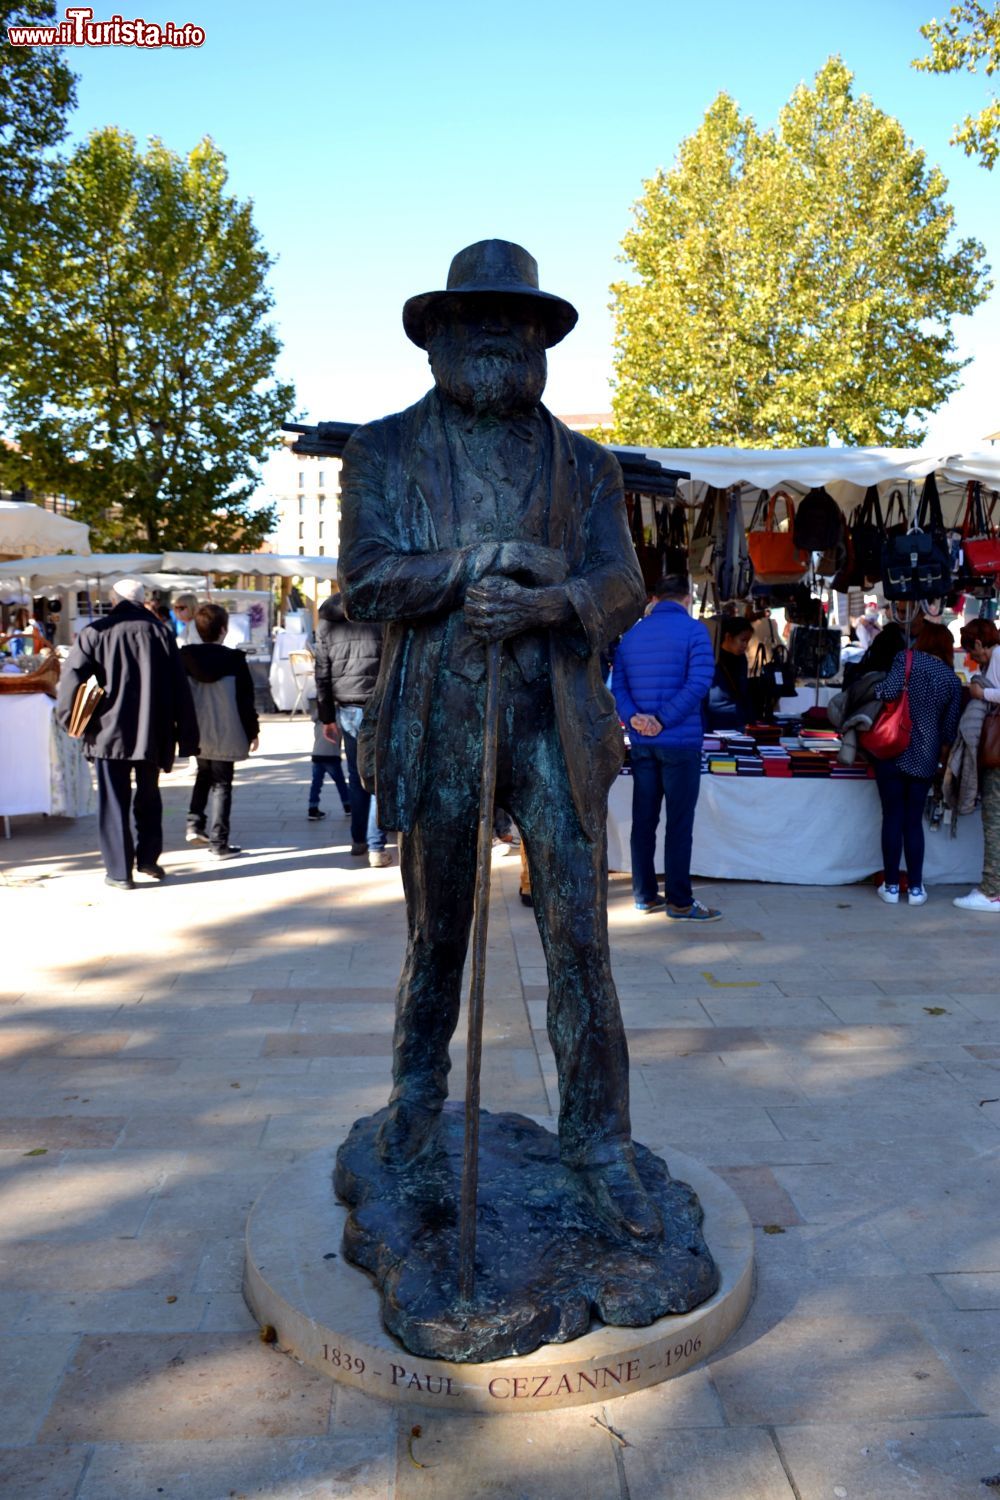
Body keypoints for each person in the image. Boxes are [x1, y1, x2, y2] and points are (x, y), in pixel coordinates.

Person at [338, 239, 657, 1237]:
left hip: (554, 721)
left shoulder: (588, 464)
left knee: (579, 942)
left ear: (541, 342)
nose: (496, 337)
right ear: (432, 338)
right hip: (440, 717)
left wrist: (551, 600)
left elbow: (623, 583)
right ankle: (416, 1108)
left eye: (516, 324)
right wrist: (478, 562)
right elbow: (367, 580)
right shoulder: (384, 451)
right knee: (437, 936)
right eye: (471, 320)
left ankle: (599, 1144)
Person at [56, 578, 199, 888]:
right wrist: (187, 735)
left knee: (113, 801)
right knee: (149, 796)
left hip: (108, 732)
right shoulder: (161, 632)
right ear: (143, 600)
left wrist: (69, 719)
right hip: (153, 730)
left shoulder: (95, 632)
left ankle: (119, 872)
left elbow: (72, 679)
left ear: (114, 599)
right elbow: (179, 686)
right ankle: (148, 859)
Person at [612, 574, 719, 921]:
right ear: (687, 599)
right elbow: (699, 682)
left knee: (643, 821)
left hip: (643, 743)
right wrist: (663, 719)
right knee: (678, 824)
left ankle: (644, 895)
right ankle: (680, 901)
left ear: (654, 599)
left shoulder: (631, 636)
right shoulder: (695, 632)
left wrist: (636, 720)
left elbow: (618, 688)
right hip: (680, 743)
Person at [871, 621, 961, 906]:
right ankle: (918, 888)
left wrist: (874, 693)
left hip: (893, 748)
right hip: (925, 754)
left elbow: (888, 692)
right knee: (912, 821)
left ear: (922, 641)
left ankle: (892, 886)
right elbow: (949, 729)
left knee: (892, 816)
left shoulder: (905, 659)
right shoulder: (952, 680)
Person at [312, 592, 388, 867]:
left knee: (357, 776)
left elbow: (321, 672)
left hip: (346, 708)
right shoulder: (380, 613)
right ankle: (377, 846)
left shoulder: (327, 623)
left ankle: (358, 839)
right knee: (379, 775)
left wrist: (326, 717)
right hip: (379, 706)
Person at [180, 602, 259, 858]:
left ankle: (194, 823)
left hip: (198, 730)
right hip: (228, 729)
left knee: (203, 775)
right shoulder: (235, 659)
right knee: (222, 784)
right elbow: (246, 700)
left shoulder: (185, 657)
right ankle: (219, 842)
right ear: (224, 629)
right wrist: (253, 731)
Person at [954, 619, 1000, 913]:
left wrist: (982, 694)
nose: (974, 657)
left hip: (998, 756)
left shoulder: (998, 657)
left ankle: (991, 891)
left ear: (981, 644)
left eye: (974, 651)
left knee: (995, 822)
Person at [307, 698, 351, 821]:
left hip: (317, 755)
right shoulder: (337, 719)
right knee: (341, 783)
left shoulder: (317, 721)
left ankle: (312, 808)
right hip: (331, 756)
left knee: (316, 784)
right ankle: (348, 806)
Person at [707, 616, 754, 731]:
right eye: (743, 640)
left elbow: (743, 691)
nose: (745, 645)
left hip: (737, 720)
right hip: (716, 721)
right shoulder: (713, 658)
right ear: (728, 637)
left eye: (747, 641)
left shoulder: (742, 658)